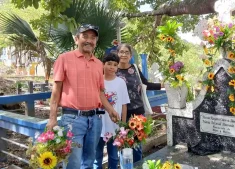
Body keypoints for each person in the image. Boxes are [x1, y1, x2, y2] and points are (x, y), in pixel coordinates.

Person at [46, 24, 119, 169]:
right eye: (85, 36)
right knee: (73, 162)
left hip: (95, 119)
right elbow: (56, 91)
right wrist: (52, 117)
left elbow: (100, 92)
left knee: (89, 161)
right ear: (76, 39)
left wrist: (111, 110)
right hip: (72, 120)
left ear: (96, 42)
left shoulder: (98, 64)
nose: (89, 40)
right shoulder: (64, 58)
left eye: (93, 38)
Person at [116, 43, 164, 163]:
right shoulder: (113, 69)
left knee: (137, 144)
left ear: (130, 55)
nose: (124, 54)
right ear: (117, 54)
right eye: (121, 52)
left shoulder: (135, 69)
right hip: (120, 113)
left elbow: (146, 84)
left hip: (137, 112)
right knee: (123, 144)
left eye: (127, 52)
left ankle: (138, 165)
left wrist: (162, 85)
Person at [94, 53, 130, 169]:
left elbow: (124, 105)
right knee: (96, 156)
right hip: (99, 125)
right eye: (109, 64)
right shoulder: (97, 81)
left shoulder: (121, 82)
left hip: (115, 126)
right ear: (103, 64)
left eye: (115, 65)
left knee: (114, 156)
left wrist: (122, 126)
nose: (112, 67)